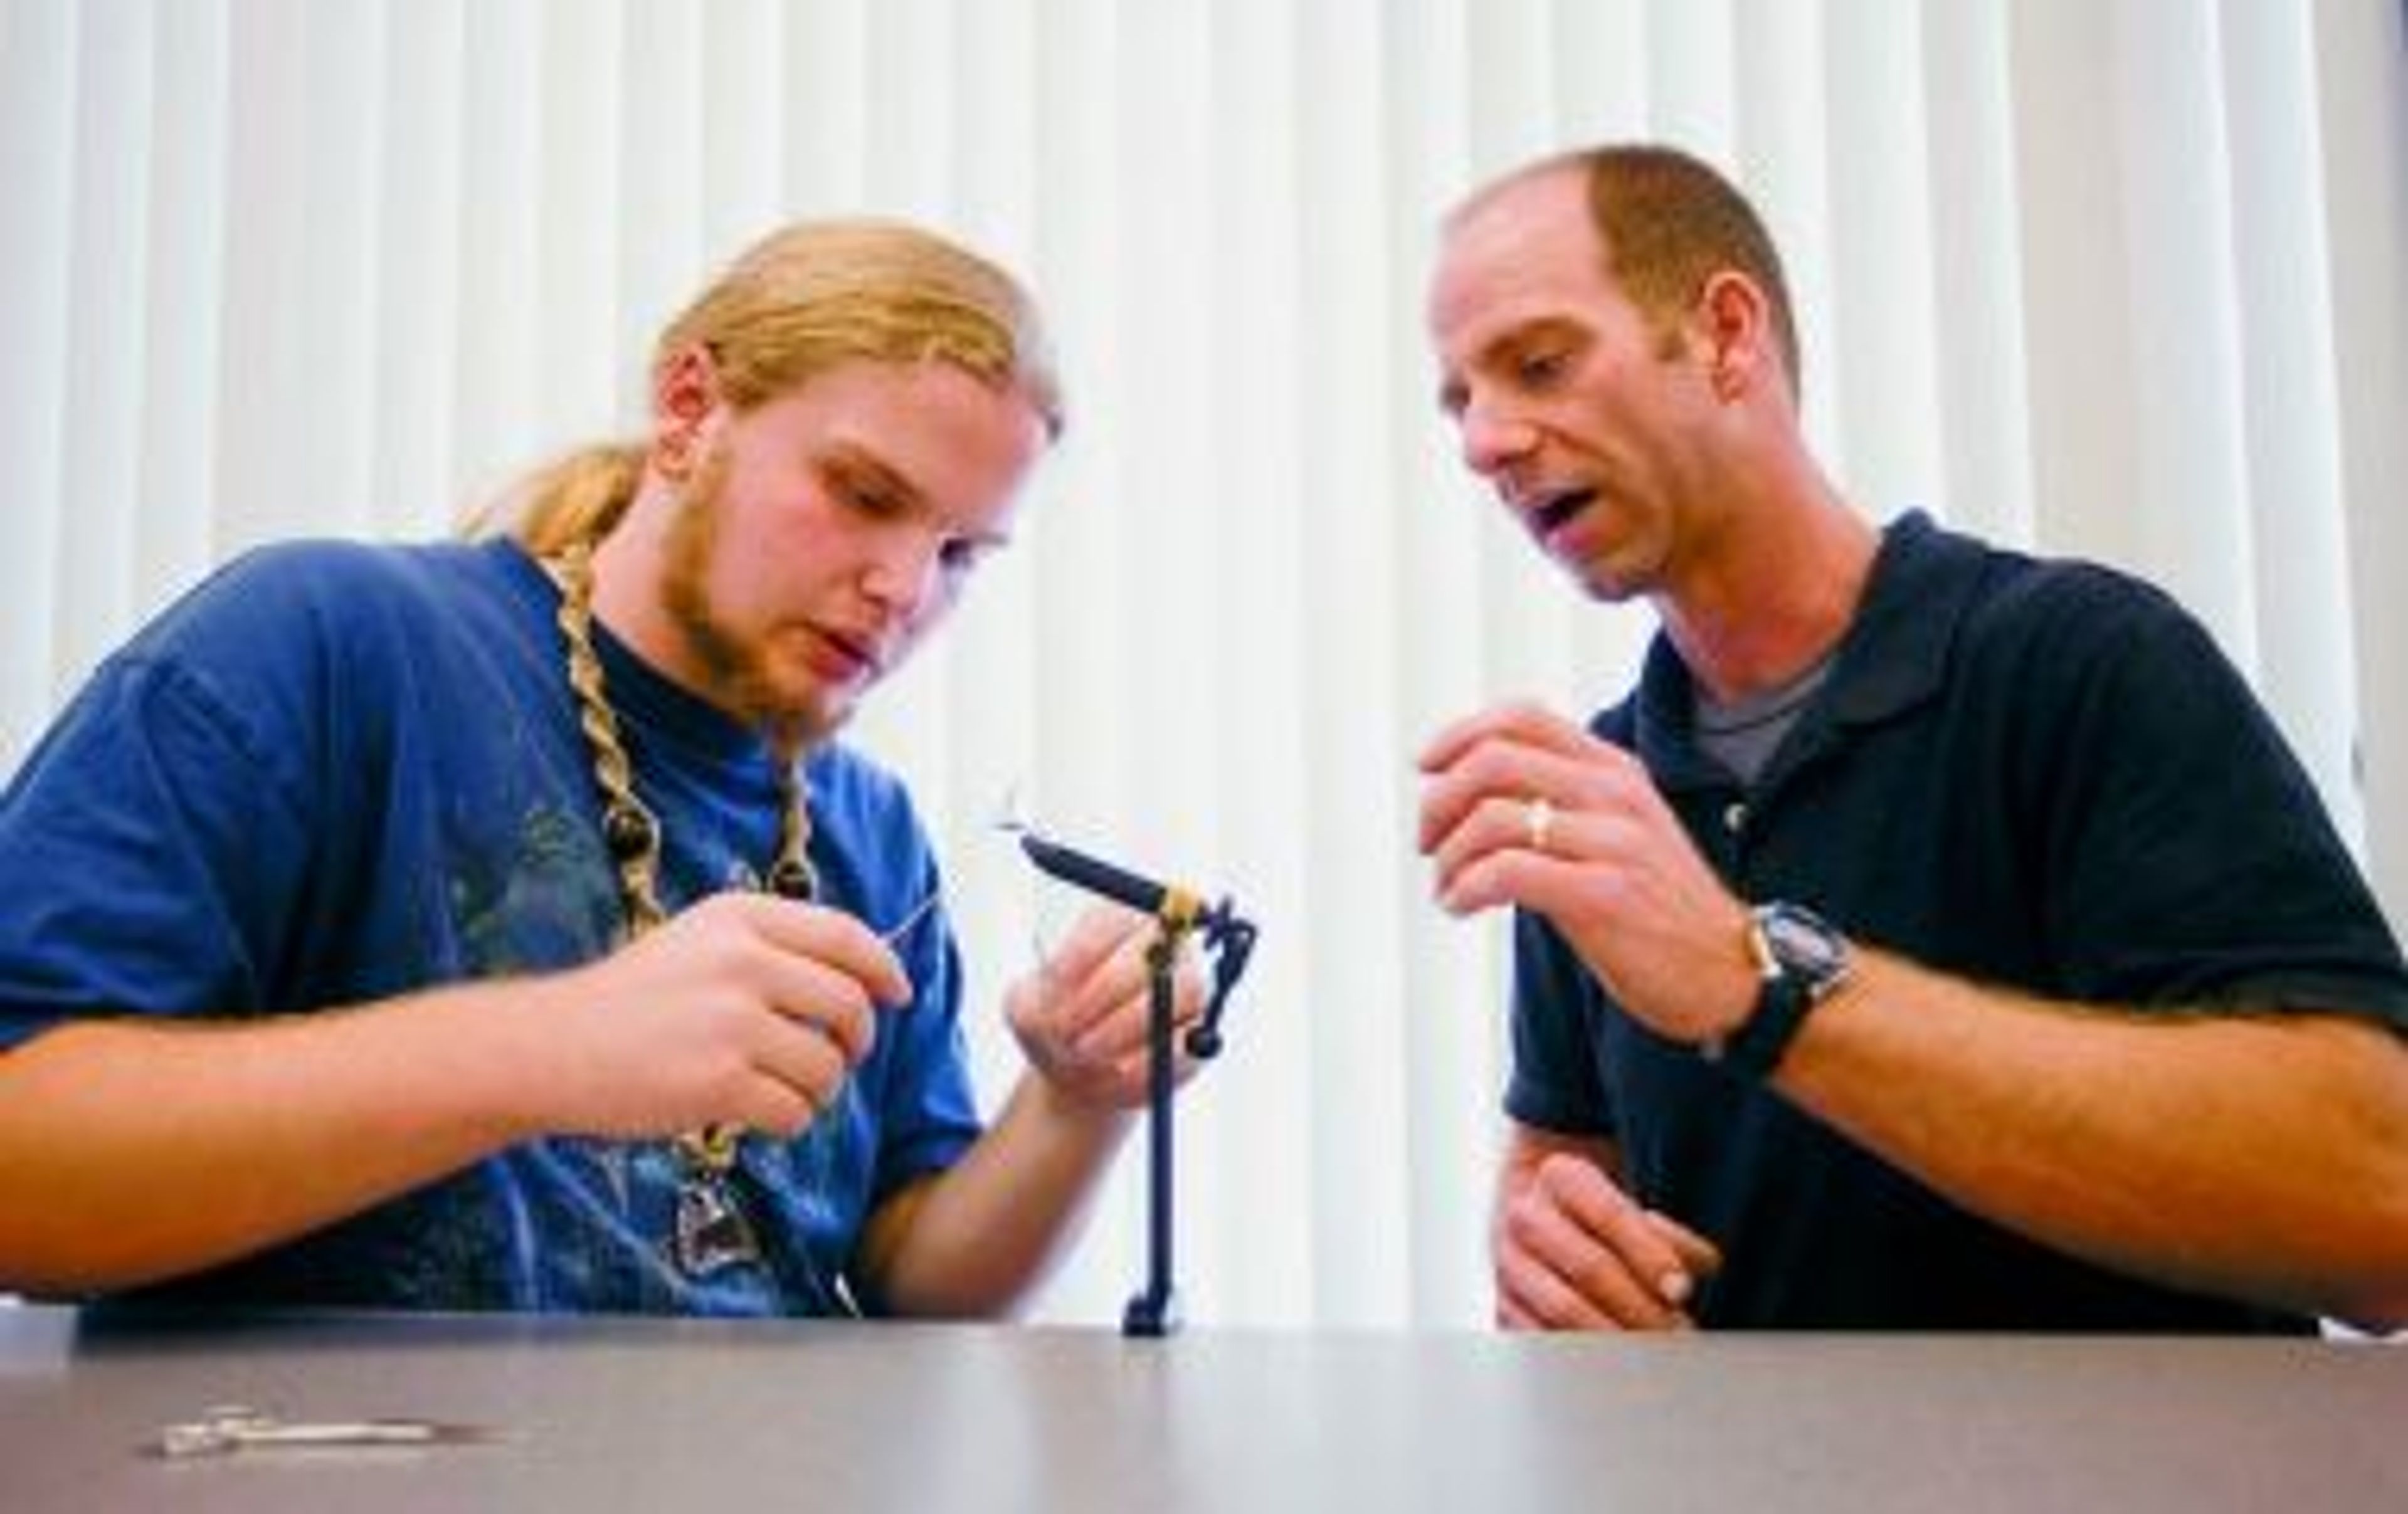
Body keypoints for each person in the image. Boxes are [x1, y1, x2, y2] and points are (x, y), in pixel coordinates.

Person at [0, 218, 1203, 1317]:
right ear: (689, 410)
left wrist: (1077, 1101)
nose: (904, 588)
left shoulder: (867, 831)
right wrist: (553, 1049)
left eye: (960, 554)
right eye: (863, 494)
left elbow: (909, 1290)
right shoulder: (327, 645)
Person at [1415, 143, 2408, 1333]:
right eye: (1461, 400)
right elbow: (1565, 1171)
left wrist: (1757, 982)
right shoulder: (1599, 797)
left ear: (1729, 334)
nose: (1484, 443)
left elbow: (2380, 1214)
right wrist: (1549, 1256)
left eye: (1539, 365)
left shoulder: (2082, 666)